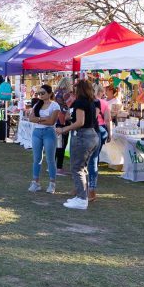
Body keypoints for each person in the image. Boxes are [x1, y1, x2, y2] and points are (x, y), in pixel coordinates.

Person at [54, 79, 100, 211]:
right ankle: (81, 196)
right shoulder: (91, 102)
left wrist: (63, 129)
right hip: (92, 136)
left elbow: (80, 122)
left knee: (77, 168)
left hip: (82, 136)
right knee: (82, 167)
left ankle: (81, 199)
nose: (72, 91)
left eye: (75, 89)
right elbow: (77, 118)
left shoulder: (80, 102)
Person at [27, 84, 60, 194]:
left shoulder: (55, 105)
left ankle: (52, 183)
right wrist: (42, 119)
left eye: (42, 93)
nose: (40, 95)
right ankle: (35, 182)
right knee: (37, 158)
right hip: (37, 132)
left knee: (50, 159)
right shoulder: (37, 104)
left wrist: (38, 119)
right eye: (39, 93)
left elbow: (52, 122)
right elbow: (30, 118)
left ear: (50, 93)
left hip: (49, 132)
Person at [87, 84, 114, 203]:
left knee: (90, 159)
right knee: (94, 158)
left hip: (92, 130)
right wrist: (110, 133)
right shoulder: (104, 103)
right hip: (100, 130)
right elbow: (108, 120)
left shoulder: (90, 102)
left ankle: (88, 187)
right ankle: (91, 187)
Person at [53, 77, 74, 174]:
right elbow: (71, 105)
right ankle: (59, 167)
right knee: (62, 144)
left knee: (57, 144)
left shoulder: (56, 92)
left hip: (56, 118)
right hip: (63, 120)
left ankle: (53, 166)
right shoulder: (66, 94)